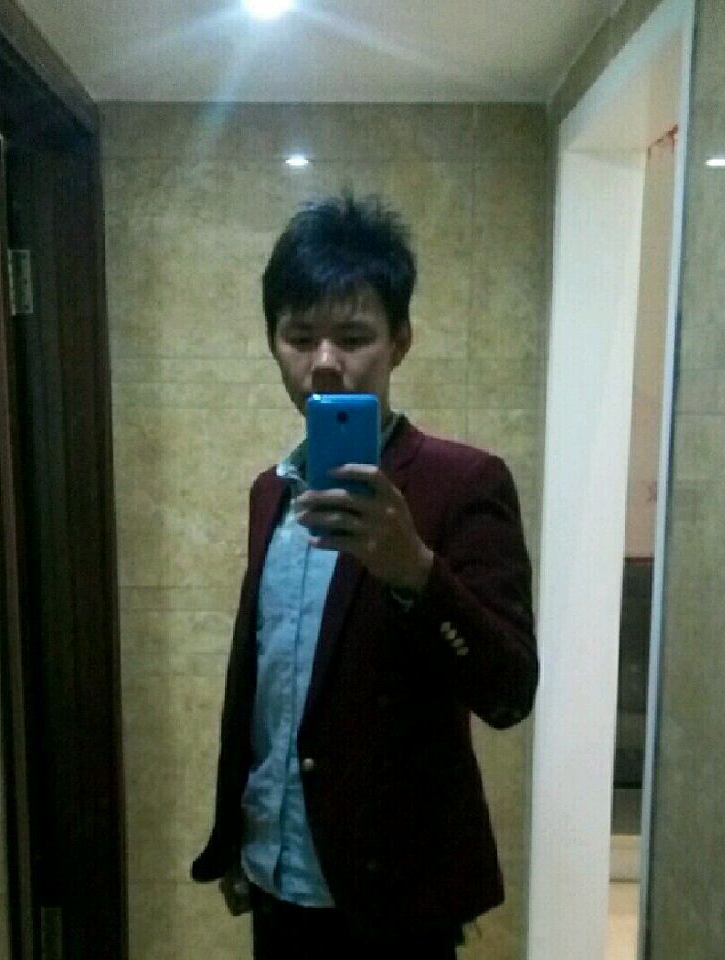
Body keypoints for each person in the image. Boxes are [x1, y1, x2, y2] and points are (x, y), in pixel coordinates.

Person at [191, 193, 538, 960]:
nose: (324, 362)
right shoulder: (270, 492)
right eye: (298, 337)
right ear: (272, 343)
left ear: (400, 341)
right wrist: (241, 833)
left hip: (397, 902)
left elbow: (510, 691)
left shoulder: (462, 484)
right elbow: (267, 691)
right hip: (277, 880)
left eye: (353, 337)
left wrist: (416, 571)